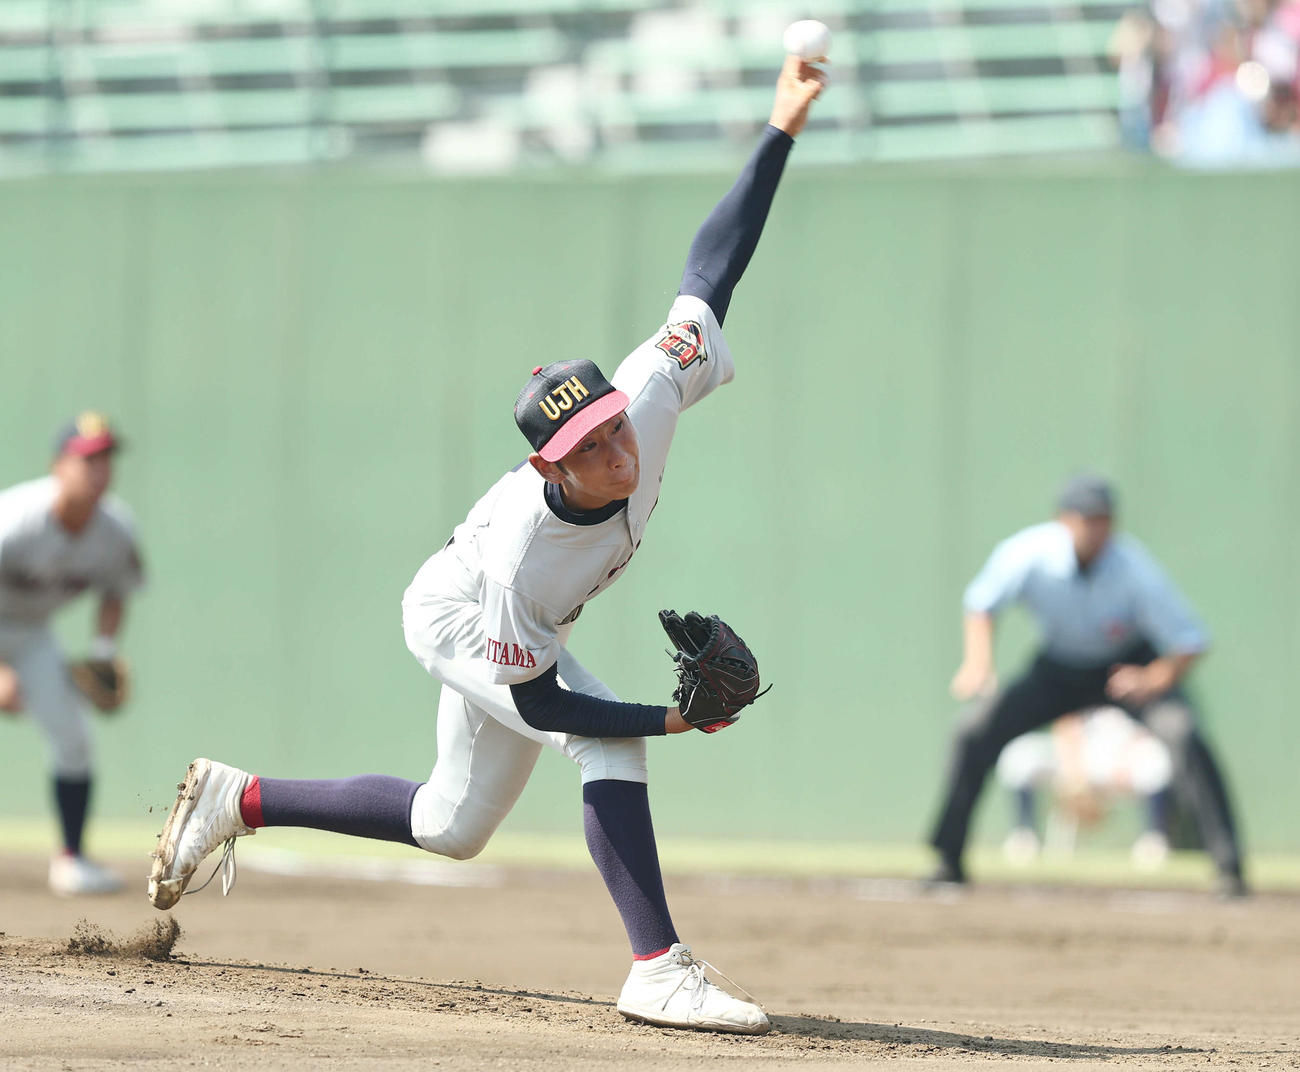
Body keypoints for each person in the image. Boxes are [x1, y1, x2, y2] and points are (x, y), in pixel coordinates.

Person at [146, 56, 827, 1035]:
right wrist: (677, 724)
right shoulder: (523, 547)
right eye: (587, 449)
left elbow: (710, 272)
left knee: (448, 825)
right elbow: (547, 698)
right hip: (462, 613)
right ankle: (656, 968)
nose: (614, 449)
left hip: (528, 623)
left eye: (610, 427)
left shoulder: (649, 394)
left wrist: (781, 128)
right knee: (604, 741)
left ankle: (237, 798)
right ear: (551, 470)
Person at [929, 473, 1248, 896]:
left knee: (1183, 732)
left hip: (1126, 668)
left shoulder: (1133, 567)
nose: (1097, 529)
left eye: (1104, 519)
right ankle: (948, 860)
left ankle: (1229, 868)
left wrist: (1153, 678)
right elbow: (981, 604)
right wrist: (978, 662)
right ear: (1064, 520)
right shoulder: (1029, 554)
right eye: (1087, 519)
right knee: (973, 733)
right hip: (1058, 668)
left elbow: (1190, 639)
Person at [0, 413, 144, 895]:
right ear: (58, 465)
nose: (98, 470)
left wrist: (103, 652)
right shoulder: (16, 516)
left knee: (74, 739)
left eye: (105, 459)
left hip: (31, 632)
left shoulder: (115, 529)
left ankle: (71, 859)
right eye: (86, 460)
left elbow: (115, 590)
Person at [995, 706, 1174, 868]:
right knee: (1020, 754)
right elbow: (1066, 723)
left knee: (1156, 760)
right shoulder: (1086, 677)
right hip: (1080, 755)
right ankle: (1024, 834)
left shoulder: (1135, 681)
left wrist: (1124, 761)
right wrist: (1074, 775)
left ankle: (1153, 838)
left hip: (1125, 757)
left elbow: (1148, 728)